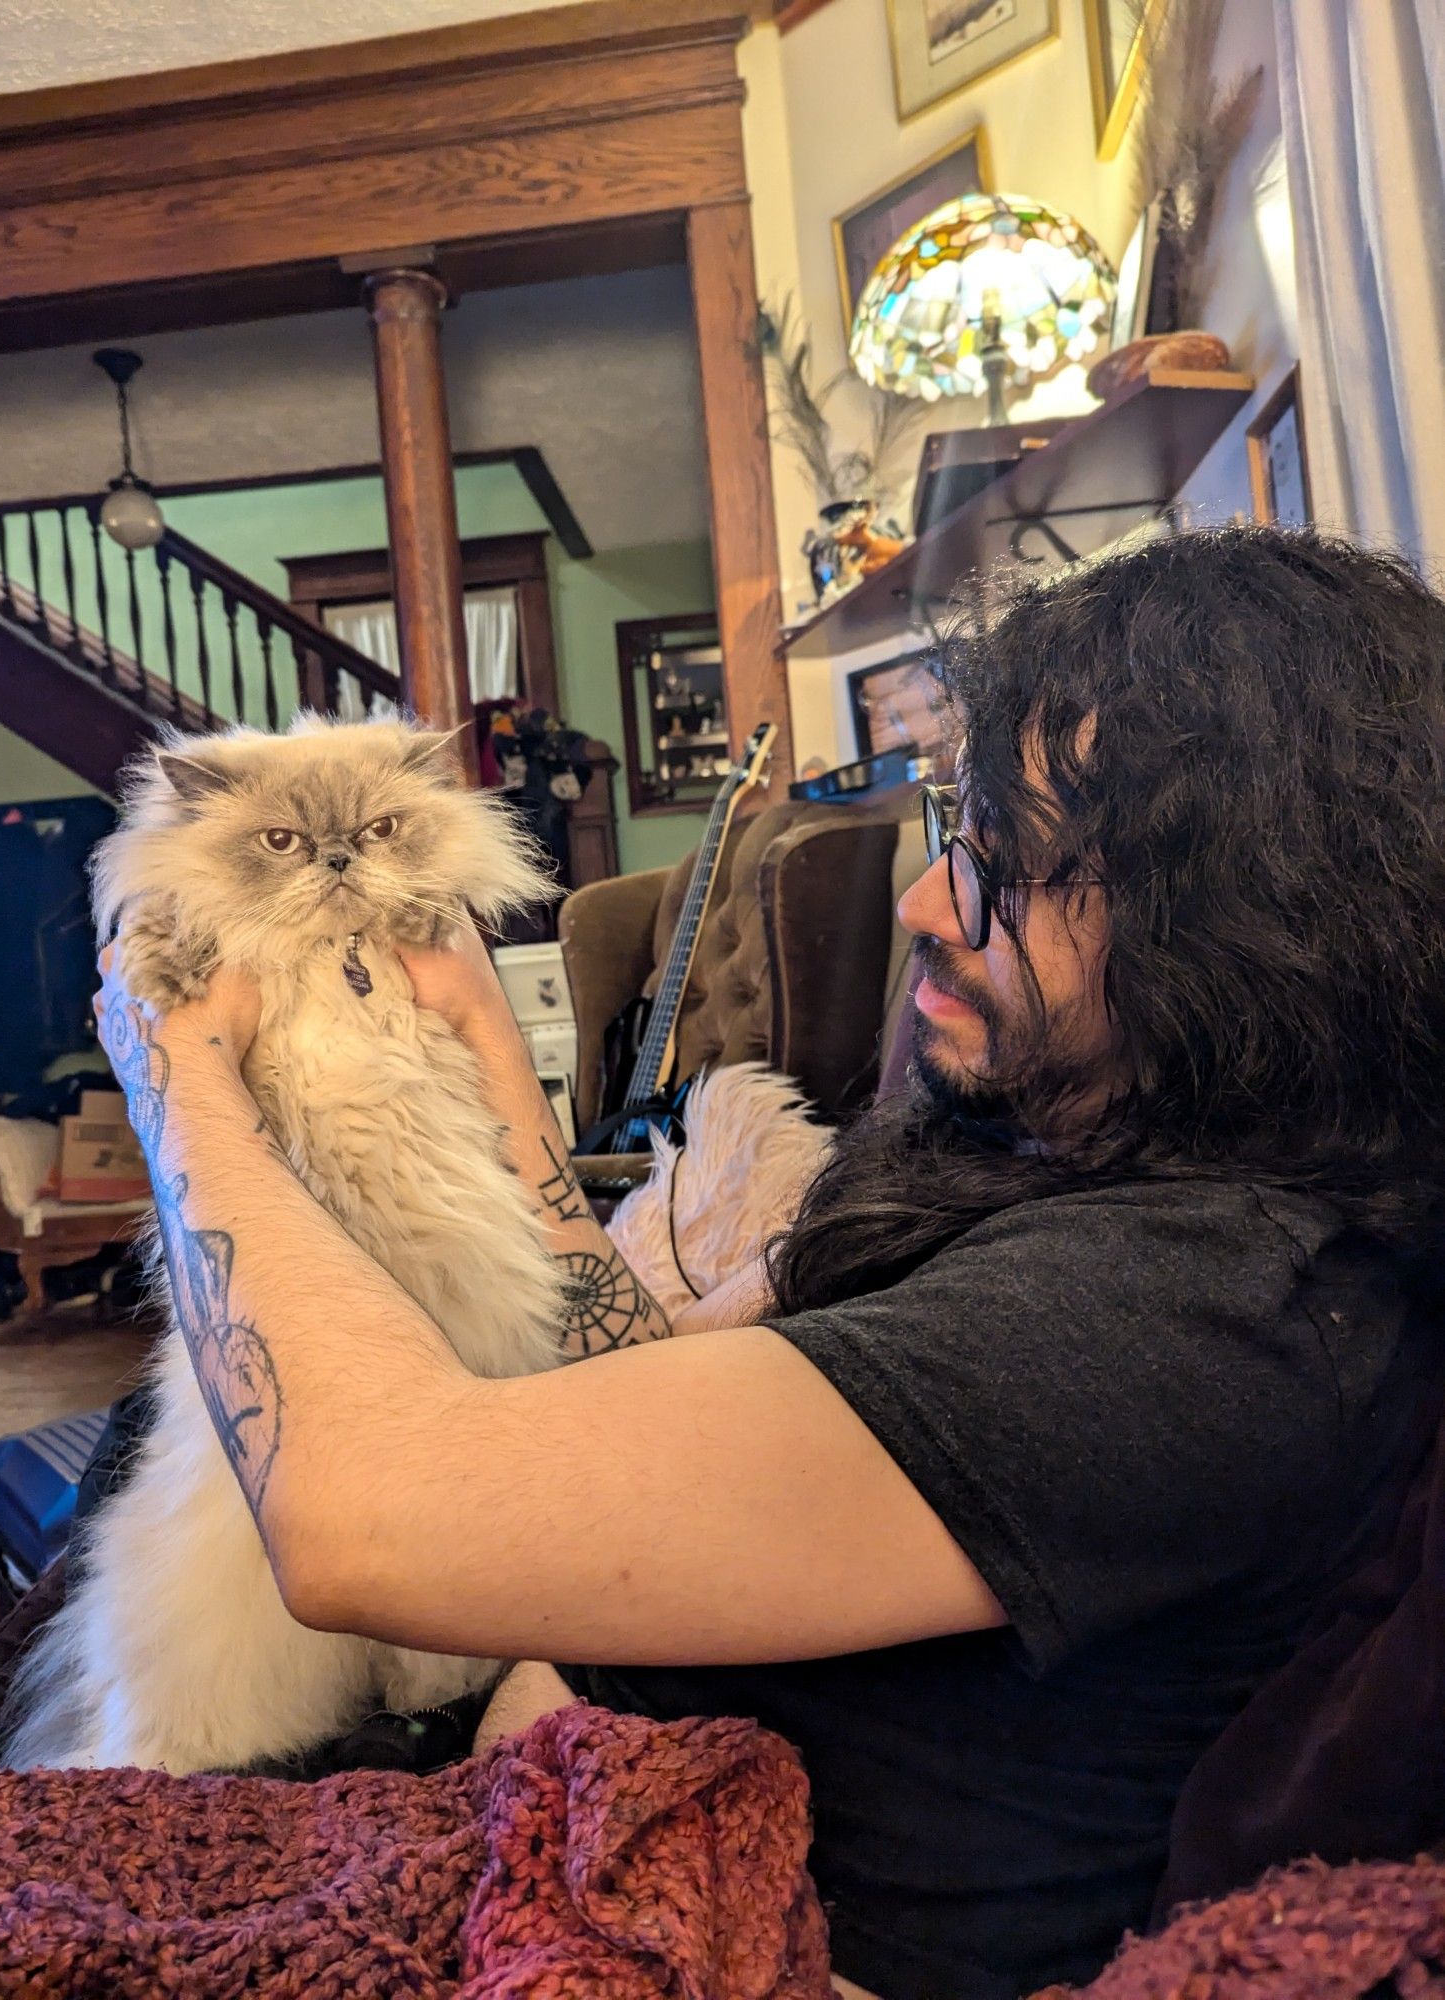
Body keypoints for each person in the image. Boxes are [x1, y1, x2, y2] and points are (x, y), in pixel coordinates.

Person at [90, 526, 1445, 2000]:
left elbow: (358, 1525)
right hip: (532, 1768)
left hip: (678, 1914)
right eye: (951, 834)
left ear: (1245, 934)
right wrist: (496, 1072)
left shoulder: (1190, 1322)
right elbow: (692, 1423)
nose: (926, 907)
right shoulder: (1081, 1157)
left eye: (1007, 873)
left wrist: (176, 1077)